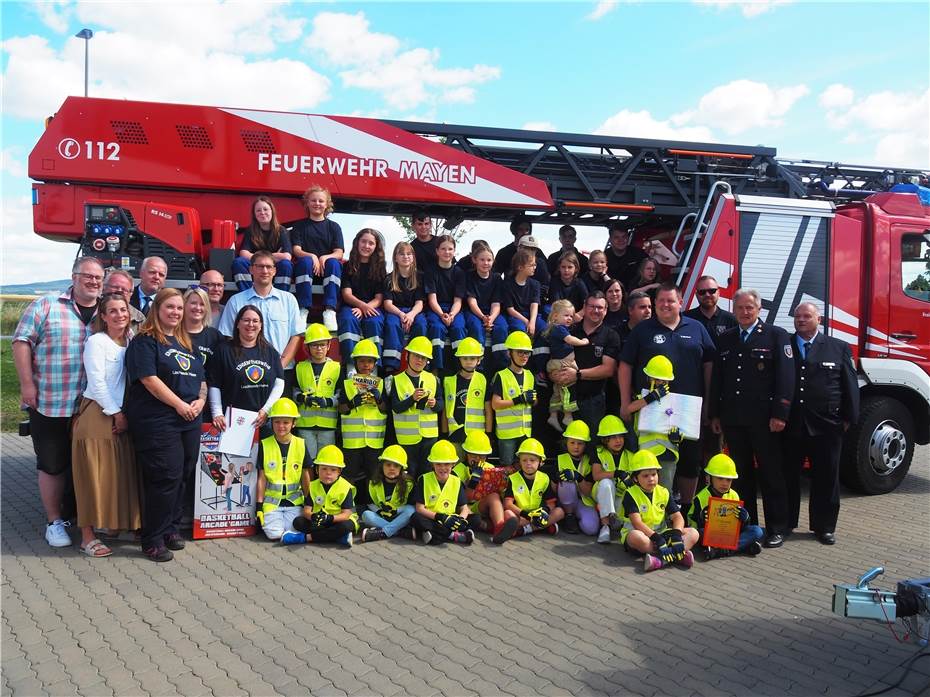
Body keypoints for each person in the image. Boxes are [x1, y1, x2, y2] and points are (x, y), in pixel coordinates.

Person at [13, 256, 104, 548]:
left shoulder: (108, 312)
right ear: (74, 277)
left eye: (98, 278)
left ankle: (83, 518)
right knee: (52, 464)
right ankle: (54, 522)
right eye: (87, 276)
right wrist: (27, 385)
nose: (93, 282)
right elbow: (21, 342)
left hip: (91, 408)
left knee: (86, 465)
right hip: (51, 401)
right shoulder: (46, 305)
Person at [125, 288, 207, 562]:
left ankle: (171, 528)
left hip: (189, 419)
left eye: (179, 308)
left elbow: (202, 380)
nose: (175, 312)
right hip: (159, 421)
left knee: (183, 473)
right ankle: (152, 538)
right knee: (165, 476)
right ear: (157, 309)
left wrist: (200, 401)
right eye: (170, 307)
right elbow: (149, 380)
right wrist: (179, 405)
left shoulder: (185, 344)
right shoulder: (145, 342)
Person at [710, 288, 794, 549]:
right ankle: (747, 526)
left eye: (749, 308)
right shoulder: (727, 338)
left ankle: (777, 528)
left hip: (765, 421)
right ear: (733, 311)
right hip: (734, 419)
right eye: (740, 308)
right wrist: (715, 413)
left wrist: (780, 414)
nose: (745, 312)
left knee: (771, 475)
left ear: (759, 310)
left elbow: (786, 377)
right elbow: (718, 381)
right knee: (741, 475)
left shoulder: (776, 336)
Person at [619, 283, 714, 507]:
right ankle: (655, 509)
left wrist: (709, 404)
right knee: (655, 459)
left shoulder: (697, 328)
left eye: (670, 300)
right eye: (660, 300)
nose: (665, 305)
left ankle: (686, 510)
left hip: (688, 407)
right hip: (652, 406)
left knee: (690, 460)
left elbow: (709, 364)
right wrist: (625, 402)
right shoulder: (643, 330)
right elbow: (625, 365)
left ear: (680, 303)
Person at [71, 292, 141, 557]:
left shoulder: (131, 340)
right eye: (112, 311)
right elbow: (97, 382)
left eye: (123, 310)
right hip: (99, 414)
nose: (120, 315)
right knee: (92, 476)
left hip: (119, 415)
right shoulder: (96, 342)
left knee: (115, 474)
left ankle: (112, 525)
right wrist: (116, 414)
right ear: (103, 316)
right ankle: (87, 537)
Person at [784, 302, 859, 545]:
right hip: (792, 424)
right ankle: (785, 524)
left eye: (807, 316)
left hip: (826, 425)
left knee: (826, 478)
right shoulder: (784, 345)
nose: (801, 320)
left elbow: (849, 386)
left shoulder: (837, 348)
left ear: (819, 320)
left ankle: (824, 527)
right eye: (798, 316)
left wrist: (849, 418)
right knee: (788, 478)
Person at [217, 250, 306, 385]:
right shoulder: (236, 301)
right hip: (246, 373)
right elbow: (228, 337)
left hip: (282, 372)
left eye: (269, 266)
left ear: (275, 271)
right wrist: (243, 365)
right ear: (251, 270)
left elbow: (296, 336)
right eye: (259, 266)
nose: (265, 271)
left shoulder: (288, 300)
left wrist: (279, 367)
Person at [550, 292, 621, 436]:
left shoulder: (611, 335)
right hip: (566, 399)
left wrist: (577, 375)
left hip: (593, 401)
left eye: (600, 307)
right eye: (592, 306)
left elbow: (608, 370)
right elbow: (553, 355)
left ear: (606, 310)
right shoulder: (569, 330)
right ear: (584, 307)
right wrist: (553, 375)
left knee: (592, 445)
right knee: (565, 446)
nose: (596, 310)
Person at [208, 305, 284, 439]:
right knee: (233, 461)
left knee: (260, 459)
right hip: (231, 422)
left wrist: (266, 410)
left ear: (261, 325)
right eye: (246, 320)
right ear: (238, 323)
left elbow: (279, 383)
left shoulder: (270, 352)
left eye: (255, 321)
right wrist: (217, 413)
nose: (251, 324)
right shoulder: (224, 350)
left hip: (262, 420)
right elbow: (214, 385)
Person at [620, 450, 699, 572]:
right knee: (636, 537)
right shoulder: (630, 494)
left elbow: (677, 517)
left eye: (654, 474)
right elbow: (637, 523)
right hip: (642, 535)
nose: (651, 479)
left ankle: (659, 561)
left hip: (662, 534)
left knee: (694, 533)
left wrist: (677, 535)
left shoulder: (663, 492)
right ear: (635, 478)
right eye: (645, 476)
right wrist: (656, 538)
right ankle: (677, 555)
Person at [254, 398, 312, 541]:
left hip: (294, 502)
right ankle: (285, 531)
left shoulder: (301, 444)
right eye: (277, 422)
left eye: (286, 422)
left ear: (294, 423)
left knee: (294, 527)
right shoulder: (265, 445)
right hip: (272, 504)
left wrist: (309, 503)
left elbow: (305, 476)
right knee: (274, 534)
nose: (281, 426)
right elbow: (262, 478)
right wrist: (259, 507)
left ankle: (288, 531)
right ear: (271, 422)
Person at [688, 453, 764, 559]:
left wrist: (745, 518)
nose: (724, 483)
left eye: (728, 480)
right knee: (700, 533)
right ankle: (741, 547)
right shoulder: (700, 498)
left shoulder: (734, 495)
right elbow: (693, 524)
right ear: (710, 477)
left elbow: (740, 525)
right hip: (709, 534)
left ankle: (720, 551)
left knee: (757, 531)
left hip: (729, 534)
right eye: (720, 478)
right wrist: (702, 517)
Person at [291, 185, 344, 331]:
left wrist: (325, 258)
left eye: (321, 201)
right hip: (306, 272)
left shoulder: (334, 227)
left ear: (327, 204)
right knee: (305, 261)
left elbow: (339, 252)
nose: (317, 204)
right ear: (307, 203)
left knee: (334, 262)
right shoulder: (299, 226)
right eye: (313, 200)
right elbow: (296, 250)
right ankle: (303, 311)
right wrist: (312, 256)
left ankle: (330, 311)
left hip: (327, 272)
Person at [283, 445, 357, 547]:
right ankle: (339, 537)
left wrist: (330, 518)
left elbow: (346, 514)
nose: (328, 473)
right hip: (319, 521)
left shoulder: (345, 487)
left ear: (339, 472)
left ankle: (305, 538)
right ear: (317, 470)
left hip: (338, 521)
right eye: (324, 469)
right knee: (298, 522)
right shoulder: (313, 486)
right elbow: (306, 510)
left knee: (346, 526)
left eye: (333, 470)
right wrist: (313, 516)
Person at [625, 355, 681, 493]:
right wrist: (650, 398)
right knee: (644, 491)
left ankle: (666, 515)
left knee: (665, 492)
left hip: (668, 453)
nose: (659, 382)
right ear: (649, 378)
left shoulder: (676, 401)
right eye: (656, 379)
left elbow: (683, 426)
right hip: (646, 453)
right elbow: (628, 409)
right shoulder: (642, 398)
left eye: (663, 379)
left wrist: (678, 438)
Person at [338, 339, 387, 493]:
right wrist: (353, 403)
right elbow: (340, 408)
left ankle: (373, 505)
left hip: (374, 440)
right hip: (352, 442)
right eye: (362, 361)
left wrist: (379, 400)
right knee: (348, 476)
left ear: (374, 364)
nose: (366, 365)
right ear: (356, 362)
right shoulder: (347, 383)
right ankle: (348, 506)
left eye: (370, 361)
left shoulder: (381, 383)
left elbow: (386, 410)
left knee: (374, 476)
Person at [389, 336, 442, 479]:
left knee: (427, 473)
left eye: (424, 358)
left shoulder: (433, 379)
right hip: (407, 438)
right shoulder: (396, 380)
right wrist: (411, 399)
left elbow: (440, 405)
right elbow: (396, 408)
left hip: (429, 436)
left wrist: (435, 404)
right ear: (407, 355)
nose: (420, 361)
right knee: (408, 474)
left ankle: (422, 501)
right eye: (416, 356)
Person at [498, 438, 564, 542]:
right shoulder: (513, 478)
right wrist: (527, 515)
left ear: (541, 462)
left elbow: (551, 504)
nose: (528, 463)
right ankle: (543, 527)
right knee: (508, 514)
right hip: (521, 515)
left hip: (537, 514)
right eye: (524, 460)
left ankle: (526, 530)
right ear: (519, 461)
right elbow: (507, 504)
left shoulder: (544, 478)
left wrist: (543, 513)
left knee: (559, 512)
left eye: (532, 460)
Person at [412, 440, 474, 545]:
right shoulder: (424, 479)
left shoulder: (457, 481)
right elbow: (419, 508)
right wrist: (441, 517)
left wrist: (460, 520)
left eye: (446, 464)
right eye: (438, 464)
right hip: (432, 517)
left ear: (453, 464)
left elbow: (464, 508)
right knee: (416, 518)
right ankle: (452, 536)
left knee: (475, 519)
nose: (443, 468)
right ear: (432, 464)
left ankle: (432, 535)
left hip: (451, 519)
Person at [337, 228, 386, 360]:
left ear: (376, 247)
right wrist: (361, 306)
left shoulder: (380, 268)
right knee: (348, 320)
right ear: (357, 242)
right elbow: (346, 294)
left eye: (371, 243)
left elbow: (379, 298)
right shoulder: (347, 266)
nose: (366, 246)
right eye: (363, 241)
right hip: (351, 306)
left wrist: (365, 307)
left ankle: (373, 366)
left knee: (374, 323)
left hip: (373, 306)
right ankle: (350, 364)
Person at [452, 431, 511, 540]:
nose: (478, 459)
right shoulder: (457, 471)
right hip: (466, 509)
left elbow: (497, 492)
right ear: (466, 453)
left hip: (484, 505)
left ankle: (499, 527)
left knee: (495, 496)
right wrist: (473, 481)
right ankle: (489, 527)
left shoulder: (490, 467)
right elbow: (464, 500)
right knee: (477, 520)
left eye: (482, 456)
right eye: (474, 455)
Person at [294, 324, 340, 460]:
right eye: (314, 345)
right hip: (305, 425)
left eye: (322, 345)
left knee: (326, 460)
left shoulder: (336, 367)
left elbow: (341, 393)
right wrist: (303, 399)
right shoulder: (300, 367)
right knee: (308, 461)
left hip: (328, 425)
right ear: (307, 347)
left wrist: (328, 401)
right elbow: (294, 391)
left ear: (329, 345)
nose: (319, 348)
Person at [491, 331, 536, 467]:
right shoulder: (501, 376)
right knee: (507, 466)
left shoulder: (529, 375)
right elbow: (495, 404)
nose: (524, 356)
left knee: (524, 467)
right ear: (509, 353)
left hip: (525, 431)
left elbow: (533, 401)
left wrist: (532, 400)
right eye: (520, 352)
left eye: (526, 352)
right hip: (507, 434)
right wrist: (518, 399)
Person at [543, 300, 589, 432]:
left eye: (571, 316)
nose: (570, 318)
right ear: (555, 316)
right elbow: (570, 340)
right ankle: (567, 415)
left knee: (557, 390)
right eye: (566, 315)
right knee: (568, 386)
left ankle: (553, 415)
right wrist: (582, 341)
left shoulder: (557, 328)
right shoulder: (559, 329)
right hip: (562, 362)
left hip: (557, 362)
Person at [382, 241, 427, 374]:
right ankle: (391, 367)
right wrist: (402, 315)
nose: (405, 256)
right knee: (391, 324)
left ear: (413, 257)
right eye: (401, 254)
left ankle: (418, 364)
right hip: (395, 311)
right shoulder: (389, 279)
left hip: (414, 311)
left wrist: (411, 315)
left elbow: (420, 303)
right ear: (395, 258)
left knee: (421, 325)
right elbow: (388, 304)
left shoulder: (420, 277)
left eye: (409, 254)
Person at [231, 196, 293, 292]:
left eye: (265, 209)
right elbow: (243, 253)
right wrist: (271, 257)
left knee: (285, 264)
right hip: (256, 267)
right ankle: (247, 294)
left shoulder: (281, 231)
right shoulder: (251, 231)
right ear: (254, 214)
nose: (262, 213)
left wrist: (259, 257)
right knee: (239, 262)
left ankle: (280, 295)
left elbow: (287, 256)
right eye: (258, 210)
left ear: (272, 211)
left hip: (274, 268)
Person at [462, 241, 508, 370]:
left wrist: (491, 319)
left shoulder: (497, 278)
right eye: (482, 260)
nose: (486, 263)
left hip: (493, 313)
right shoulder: (469, 276)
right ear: (474, 260)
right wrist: (483, 317)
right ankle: (479, 365)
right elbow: (472, 302)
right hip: (475, 312)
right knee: (476, 328)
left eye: (489, 260)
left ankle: (501, 366)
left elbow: (496, 303)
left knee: (502, 328)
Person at [424, 234, 467, 373]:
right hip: (436, 309)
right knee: (436, 328)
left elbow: (458, 300)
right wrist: (443, 315)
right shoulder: (430, 271)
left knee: (459, 328)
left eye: (450, 249)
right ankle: (436, 369)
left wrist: (452, 315)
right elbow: (432, 299)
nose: (447, 252)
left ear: (454, 251)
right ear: (437, 251)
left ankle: (460, 368)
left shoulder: (459, 272)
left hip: (454, 309)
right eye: (443, 249)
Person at [359, 445, 417, 542]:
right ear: (382, 466)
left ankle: (382, 533)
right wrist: (379, 511)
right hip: (382, 516)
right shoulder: (373, 483)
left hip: (399, 516)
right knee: (366, 515)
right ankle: (400, 531)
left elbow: (411, 506)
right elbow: (369, 503)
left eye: (396, 465)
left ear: (401, 468)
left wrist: (396, 511)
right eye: (388, 465)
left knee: (411, 510)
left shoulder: (409, 484)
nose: (392, 468)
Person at [591, 415, 634, 543]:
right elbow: (596, 475)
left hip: (621, 498)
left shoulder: (630, 456)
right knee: (605, 483)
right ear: (605, 440)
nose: (618, 441)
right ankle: (605, 527)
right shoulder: (599, 452)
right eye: (613, 437)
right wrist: (616, 473)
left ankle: (619, 523)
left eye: (620, 436)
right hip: (602, 494)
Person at [442, 338, 491, 446]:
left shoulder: (483, 380)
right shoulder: (449, 382)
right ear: (459, 359)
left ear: (479, 360)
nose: (469, 361)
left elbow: (488, 410)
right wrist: (444, 434)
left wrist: (488, 434)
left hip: (478, 436)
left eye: (472, 358)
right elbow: (446, 411)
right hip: (455, 435)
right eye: (465, 358)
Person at [555, 420, 598, 536]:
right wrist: (556, 480)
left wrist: (578, 477)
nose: (576, 447)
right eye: (572, 442)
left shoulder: (590, 461)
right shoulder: (559, 459)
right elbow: (552, 491)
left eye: (580, 443)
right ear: (566, 442)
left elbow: (588, 492)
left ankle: (575, 519)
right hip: (563, 503)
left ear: (585, 444)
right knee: (567, 481)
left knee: (591, 529)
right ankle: (569, 517)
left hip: (583, 501)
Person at [683, 275, 737, 347]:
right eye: (702, 292)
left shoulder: (732, 320)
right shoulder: (685, 319)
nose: (707, 295)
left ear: (718, 293)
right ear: (696, 295)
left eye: (712, 291)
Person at [183, 287, 222, 387]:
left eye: (202, 304)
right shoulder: (173, 333)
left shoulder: (215, 336)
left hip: (207, 396)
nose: (197, 308)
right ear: (184, 304)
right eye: (193, 303)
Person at [501, 248, 544, 338]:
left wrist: (532, 322)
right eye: (531, 265)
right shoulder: (507, 285)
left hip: (532, 315)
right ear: (520, 267)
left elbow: (534, 305)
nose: (534, 267)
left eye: (535, 265)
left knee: (542, 328)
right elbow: (510, 309)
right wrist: (526, 321)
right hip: (516, 317)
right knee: (519, 329)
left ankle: (539, 352)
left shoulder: (535, 284)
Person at [605, 223, 647, 291]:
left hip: (636, 294)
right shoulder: (604, 257)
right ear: (610, 240)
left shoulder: (639, 254)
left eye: (624, 237)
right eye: (616, 237)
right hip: (613, 294)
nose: (620, 240)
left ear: (628, 238)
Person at [102, 269, 146, 333]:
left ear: (131, 293)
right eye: (115, 287)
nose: (119, 291)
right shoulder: (94, 311)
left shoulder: (139, 318)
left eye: (124, 289)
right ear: (104, 288)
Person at [547, 252, 587, 319]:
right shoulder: (554, 282)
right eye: (563, 267)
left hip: (576, 316)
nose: (566, 270)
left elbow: (587, 302)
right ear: (559, 268)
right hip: (559, 316)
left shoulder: (579, 283)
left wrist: (579, 314)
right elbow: (555, 303)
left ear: (576, 268)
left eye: (570, 267)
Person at [516, 235, 551, 301]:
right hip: (515, 301)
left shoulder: (540, 263)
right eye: (526, 248)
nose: (530, 251)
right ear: (519, 248)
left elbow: (545, 285)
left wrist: (533, 297)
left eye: (533, 249)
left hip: (536, 301)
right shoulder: (513, 261)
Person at [409, 209, 439, 276]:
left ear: (431, 225)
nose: (423, 227)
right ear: (413, 226)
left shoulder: (441, 243)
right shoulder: (411, 248)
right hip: (420, 283)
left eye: (426, 224)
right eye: (420, 224)